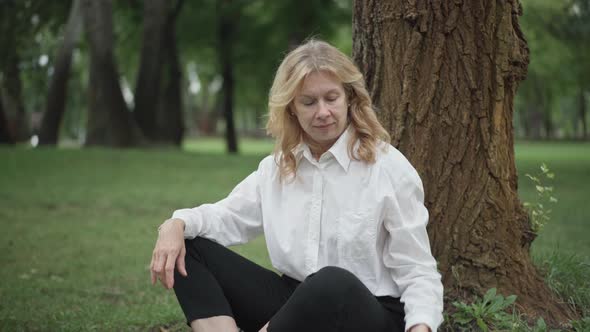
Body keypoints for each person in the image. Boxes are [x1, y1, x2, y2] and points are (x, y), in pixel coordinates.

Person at [150, 39, 444, 332]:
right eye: (308, 102)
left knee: (332, 282)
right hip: (294, 306)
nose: (323, 112)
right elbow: (226, 218)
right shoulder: (278, 168)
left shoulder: (388, 168)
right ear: (291, 108)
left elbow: (417, 269)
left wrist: (421, 327)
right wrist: (175, 224)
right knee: (189, 245)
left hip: (364, 314)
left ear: (349, 99)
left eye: (331, 98)